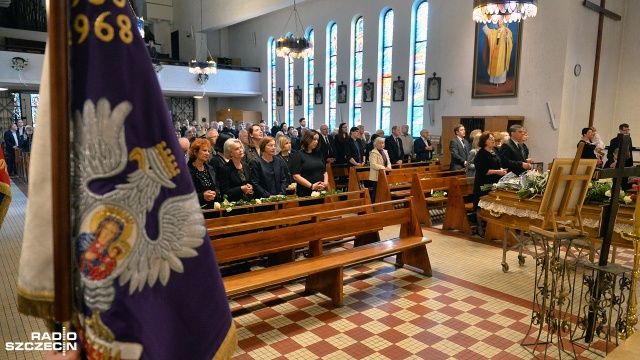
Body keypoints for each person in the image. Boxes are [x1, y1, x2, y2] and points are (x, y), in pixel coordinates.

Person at [473, 132, 508, 237]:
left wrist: (501, 169)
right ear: (484, 142)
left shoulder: (495, 151)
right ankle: (480, 228)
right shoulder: (481, 154)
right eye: (490, 139)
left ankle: (492, 228)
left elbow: (499, 163)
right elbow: (483, 171)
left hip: (495, 183)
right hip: (483, 183)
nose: (493, 140)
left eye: (493, 138)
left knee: (493, 205)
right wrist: (498, 171)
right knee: (481, 205)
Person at [290, 130, 329, 198]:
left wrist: (325, 183)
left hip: (320, 190)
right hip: (305, 191)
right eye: (314, 139)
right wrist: (312, 186)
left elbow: (324, 171)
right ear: (307, 139)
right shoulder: (298, 155)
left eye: (317, 140)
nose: (316, 142)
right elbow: (296, 176)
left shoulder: (318, 154)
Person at [187, 139, 220, 210]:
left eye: (208, 151)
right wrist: (202, 196)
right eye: (204, 150)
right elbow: (185, 194)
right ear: (195, 152)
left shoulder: (210, 169)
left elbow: (217, 187)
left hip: (212, 209)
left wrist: (214, 193)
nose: (207, 153)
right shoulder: (187, 171)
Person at [482, 18, 513, 86]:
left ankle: (500, 81)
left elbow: (509, 43)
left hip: (502, 53)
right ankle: (493, 81)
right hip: (494, 51)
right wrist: (485, 24)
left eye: (501, 21)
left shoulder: (507, 31)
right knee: (494, 64)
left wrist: (507, 37)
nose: (499, 23)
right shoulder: (494, 31)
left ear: (504, 21)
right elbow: (488, 32)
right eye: (498, 21)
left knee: (501, 65)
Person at [369, 137, 392, 202]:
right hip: (376, 176)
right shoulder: (373, 153)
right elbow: (373, 165)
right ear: (375, 144)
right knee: (376, 192)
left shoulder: (385, 151)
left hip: (385, 174)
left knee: (384, 191)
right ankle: (373, 206)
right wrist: (384, 168)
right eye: (379, 143)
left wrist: (389, 167)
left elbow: (388, 162)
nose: (381, 145)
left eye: (382, 143)